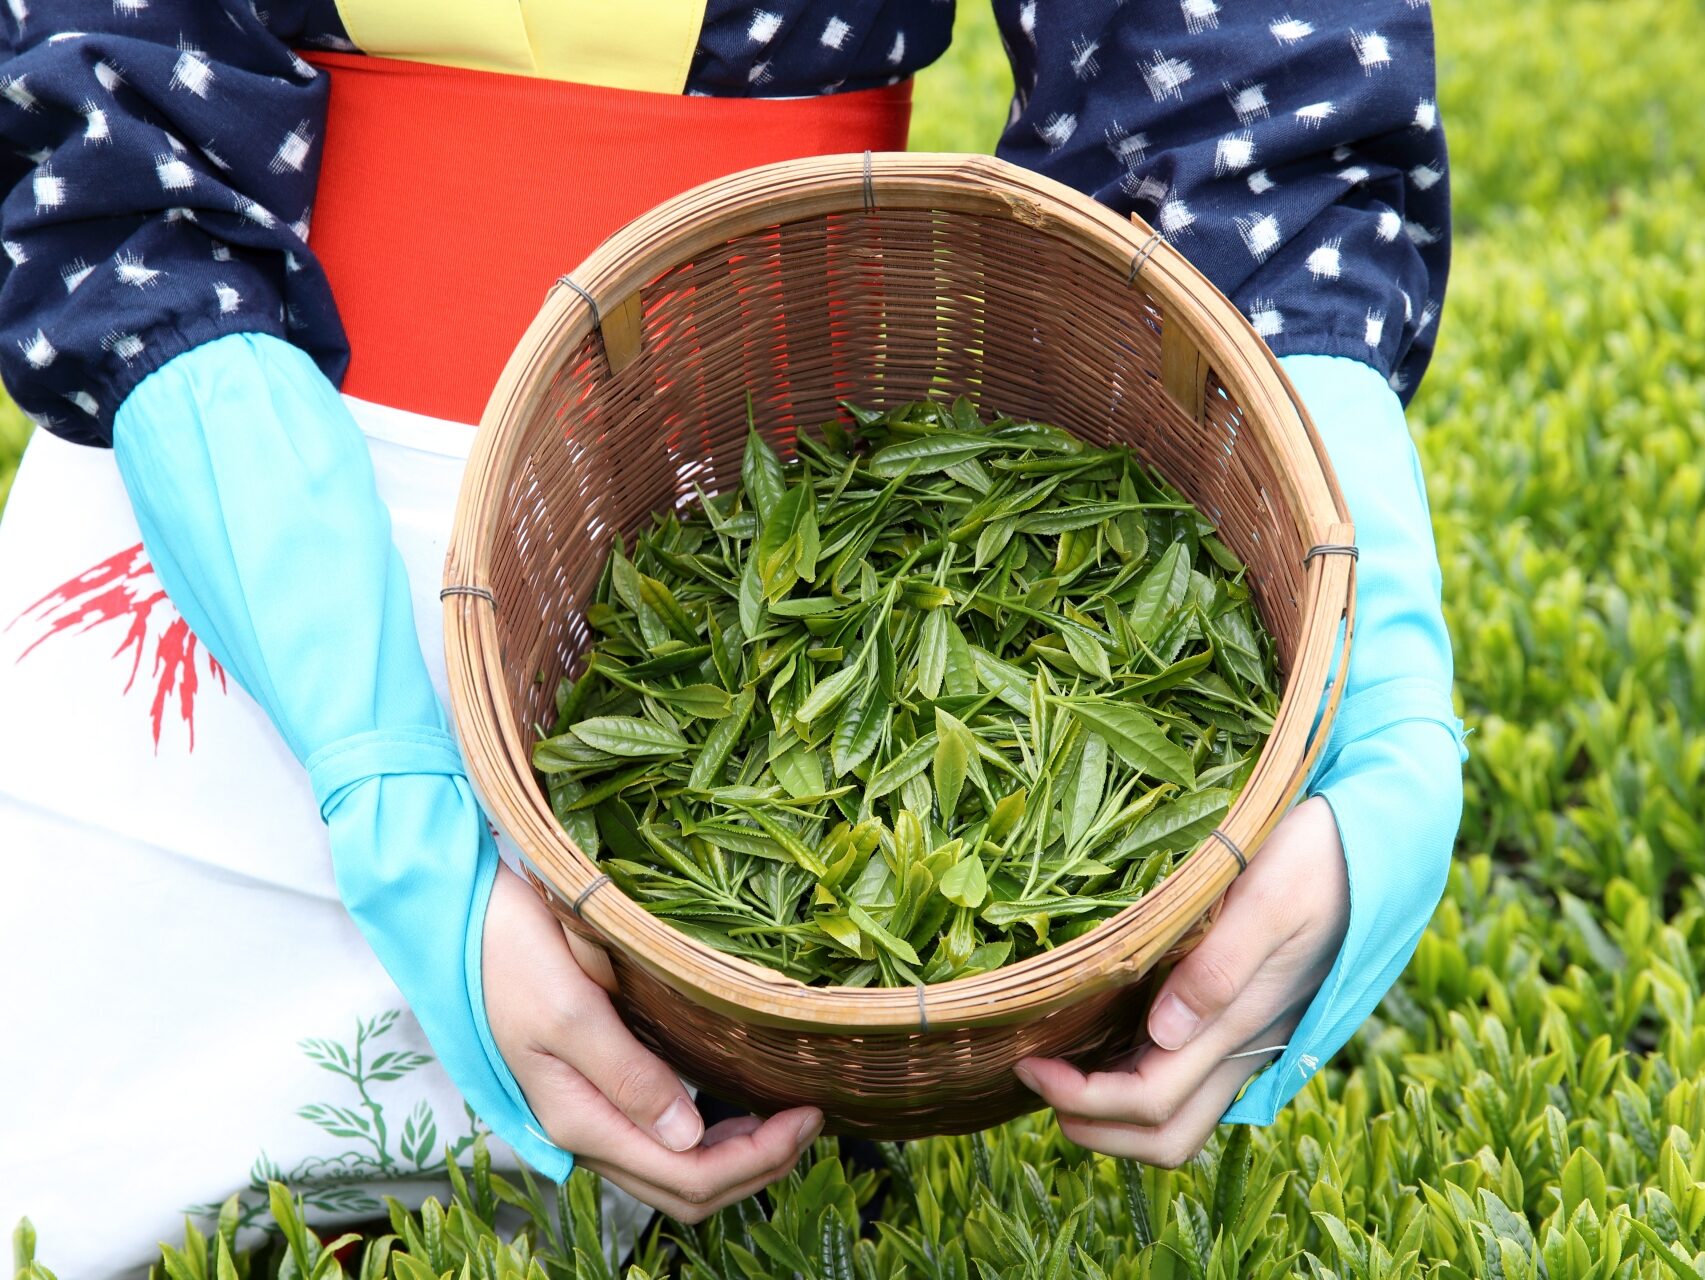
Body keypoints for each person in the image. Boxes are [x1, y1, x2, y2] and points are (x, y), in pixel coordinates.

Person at [0, 2, 1465, 1273]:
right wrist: (388, 772)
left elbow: (1245, 80)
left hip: (737, 466)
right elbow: (115, 125)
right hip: (246, 486)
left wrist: (1381, 673)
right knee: (99, 1164)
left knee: (690, 1158)